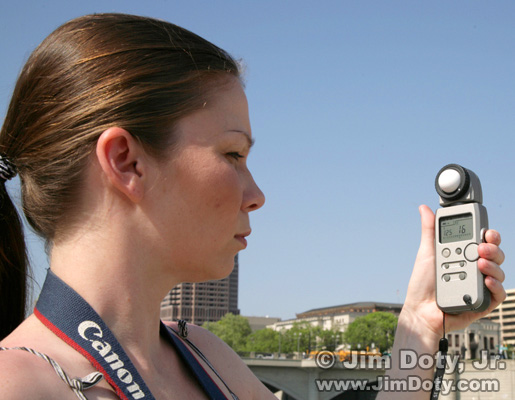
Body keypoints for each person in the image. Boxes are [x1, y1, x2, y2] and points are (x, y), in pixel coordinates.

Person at [0, 13, 505, 400]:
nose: (257, 194)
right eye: (233, 154)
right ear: (126, 161)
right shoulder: (17, 383)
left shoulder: (206, 353)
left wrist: (419, 323)